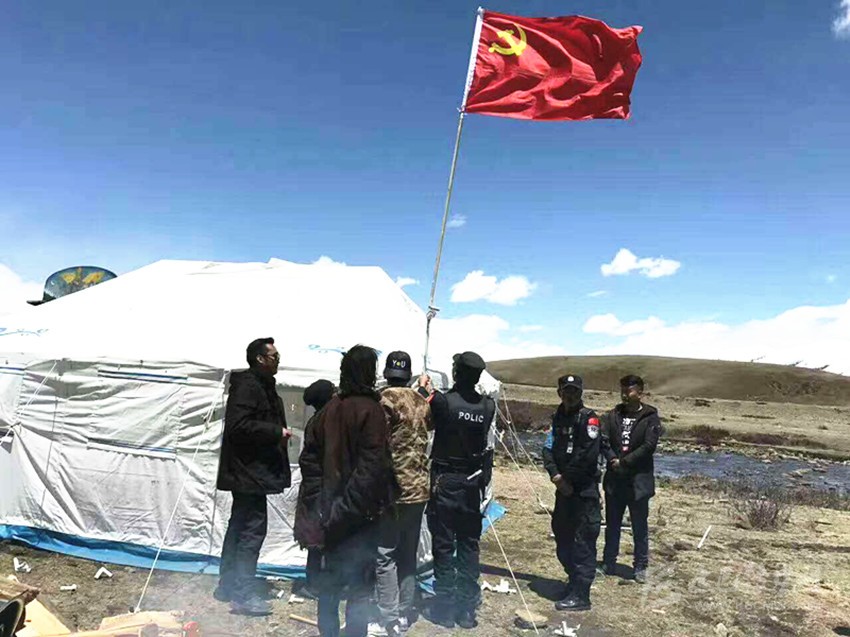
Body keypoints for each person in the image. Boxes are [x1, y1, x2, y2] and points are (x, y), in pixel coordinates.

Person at [297, 345, 393, 637]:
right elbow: (370, 471)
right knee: (358, 590)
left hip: (330, 516)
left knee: (330, 587)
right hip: (357, 520)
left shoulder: (329, 409)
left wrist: (322, 508)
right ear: (369, 373)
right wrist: (341, 510)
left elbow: (309, 464)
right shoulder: (371, 411)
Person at [417, 352, 495, 630]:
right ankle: (466, 610)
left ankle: (445, 607)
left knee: (443, 544)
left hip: (446, 481)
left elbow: (421, 413)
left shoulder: (443, 402)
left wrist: (423, 389)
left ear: (457, 373)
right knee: (468, 545)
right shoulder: (487, 406)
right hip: (473, 483)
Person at [215, 337, 292, 616]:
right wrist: (275, 432)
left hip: (250, 472)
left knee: (239, 527)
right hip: (248, 473)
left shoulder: (260, 385)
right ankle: (243, 595)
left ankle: (228, 585)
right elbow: (238, 426)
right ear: (259, 358)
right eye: (273, 356)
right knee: (251, 531)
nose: (278, 360)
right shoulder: (248, 386)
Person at [369, 351, 432, 637]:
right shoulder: (421, 401)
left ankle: (388, 617)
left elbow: (375, 440)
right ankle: (405, 612)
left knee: (385, 555)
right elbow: (427, 427)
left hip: (393, 490)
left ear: (386, 373)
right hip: (419, 488)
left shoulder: (383, 401)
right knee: (408, 552)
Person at [542, 374, 602, 612]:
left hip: (583, 491)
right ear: (559, 393)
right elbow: (547, 448)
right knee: (562, 535)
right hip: (563, 490)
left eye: (575, 391)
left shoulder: (589, 419)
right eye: (566, 391)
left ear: (581, 393)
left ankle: (582, 594)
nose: (570, 396)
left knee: (583, 541)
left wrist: (566, 479)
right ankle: (573, 581)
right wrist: (555, 476)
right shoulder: (557, 418)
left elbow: (588, 454)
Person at [600, 374, 662, 584]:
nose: (625, 395)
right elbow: (604, 440)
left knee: (639, 525)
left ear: (640, 392)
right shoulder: (612, 415)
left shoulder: (650, 417)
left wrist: (624, 462)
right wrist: (612, 460)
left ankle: (640, 566)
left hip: (638, 481)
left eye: (629, 391)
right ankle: (609, 562)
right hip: (615, 480)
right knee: (612, 524)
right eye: (623, 391)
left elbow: (649, 445)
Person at [294, 379, 336, 597]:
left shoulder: (319, 420)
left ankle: (316, 583)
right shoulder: (325, 421)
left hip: (316, 486)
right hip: (319, 488)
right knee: (317, 538)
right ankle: (315, 584)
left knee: (316, 537)